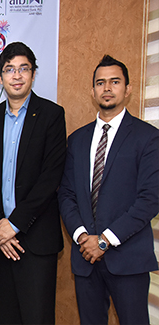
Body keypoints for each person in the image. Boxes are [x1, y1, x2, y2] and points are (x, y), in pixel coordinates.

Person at [58, 55, 159, 325]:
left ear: (127, 89)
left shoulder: (148, 138)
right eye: (100, 83)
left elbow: (150, 199)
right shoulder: (77, 140)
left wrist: (104, 241)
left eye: (115, 82)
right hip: (86, 259)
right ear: (92, 91)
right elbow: (66, 194)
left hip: (128, 260)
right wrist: (82, 237)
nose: (107, 88)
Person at [0, 42, 66, 324]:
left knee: (37, 318)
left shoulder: (52, 115)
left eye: (23, 68)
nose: (16, 76)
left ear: (33, 73)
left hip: (36, 240)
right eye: (9, 69)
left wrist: (14, 224)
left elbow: (50, 177)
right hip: (0, 240)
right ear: (0, 76)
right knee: (7, 318)